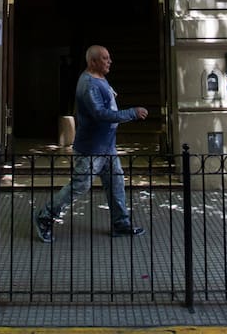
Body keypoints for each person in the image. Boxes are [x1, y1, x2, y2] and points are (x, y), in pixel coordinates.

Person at [34, 45, 148, 242]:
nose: (109, 61)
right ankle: (45, 216)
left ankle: (121, 224)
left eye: (109, 57)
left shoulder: (99, 78)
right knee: (80, 186)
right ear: (92, 61)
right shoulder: (89, 84)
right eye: (104, 58)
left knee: (116, 184)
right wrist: (132, 113)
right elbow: (100, 114)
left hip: (106, 147)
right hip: (91, 149)